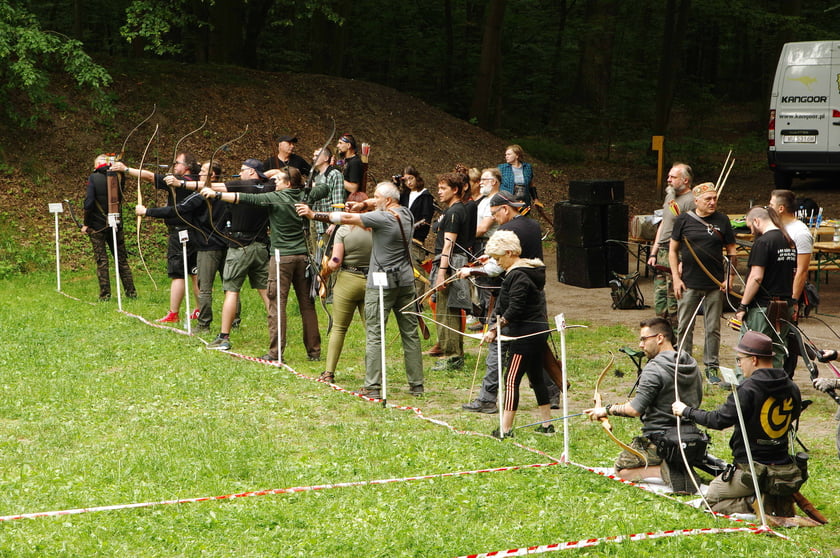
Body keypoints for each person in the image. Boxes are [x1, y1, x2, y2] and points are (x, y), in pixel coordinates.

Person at [296, 181, 424, 399]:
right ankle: (417, 385)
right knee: (410, 333)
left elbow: (345, 219)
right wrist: (364, 202)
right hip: (405, 280)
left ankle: (372, 385)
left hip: (382, 282)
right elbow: (378, 201)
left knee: (374, 333)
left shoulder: (381, 218)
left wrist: (312, 214)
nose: (374, 201)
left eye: (377, 197)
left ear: (388, 200)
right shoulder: (407, 214)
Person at [672, 331, 803, 515]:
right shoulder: (792, 386)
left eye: (740, 359)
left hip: (751, 471)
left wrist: (686, 411)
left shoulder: (748, 389)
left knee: (709, 502)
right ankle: (769, 497)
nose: (739, 364)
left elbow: (718, 420)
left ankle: (755, 502)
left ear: (754, 360)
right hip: (784, 470)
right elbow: (794, 415)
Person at [201, 166, 323, 362]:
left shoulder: (274, 198)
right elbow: (323, 188)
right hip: (303, 258)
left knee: (277, 305)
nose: (274, 183)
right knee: (307, 305)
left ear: (288, 183)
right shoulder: (305, 194)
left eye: (279, 180)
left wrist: (215, 195)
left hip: (282, 258)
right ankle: (314, 352)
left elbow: (245, 198)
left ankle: (275, 353)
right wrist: (307, 186)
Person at [460, 192, 561, 414]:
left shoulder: (508, 230)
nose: (494, 219)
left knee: (498, 344)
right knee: (536, 345)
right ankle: (553, 392)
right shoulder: (533, 225)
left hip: (513, 294)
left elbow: (497, 267)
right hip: (535, 295)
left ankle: (487, 398)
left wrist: (472, 271)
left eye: (495, 213)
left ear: (506, 209)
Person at [584, 317, 704, 492]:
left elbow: (634, 409)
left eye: (644, 339)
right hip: (690, 437)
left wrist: (606, 409)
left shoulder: (654, 369)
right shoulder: (690, 362)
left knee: (621, 469)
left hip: (660, 441)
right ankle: (677, 463)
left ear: (660, 338)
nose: (640, 345)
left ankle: (663, 470)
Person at [174, 158, 273, 350]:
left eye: (243, 170)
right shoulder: (268, 188)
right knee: (266, 292)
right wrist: (264, 176)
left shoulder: (241, 186)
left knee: (231, 291)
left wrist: (181, 183)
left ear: (252, 172)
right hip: (261, 248)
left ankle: (224, 337)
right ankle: (278, 332)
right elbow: (277, 176)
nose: (240, 172)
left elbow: (212, 185)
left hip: (240, 247)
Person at [111, 153, 199, 323]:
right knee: (195, 273)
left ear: (187, 166)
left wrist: (126, 169)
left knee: (178, 274)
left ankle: (174, 314)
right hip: (194, 233)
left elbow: (150, 176)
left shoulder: (178, 182)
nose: (174, 165)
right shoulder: (196, 183)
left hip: (180, 233)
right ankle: (199, 311)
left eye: (177, 163)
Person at [142, 160, 228, 333]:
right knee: (223, 284)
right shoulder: (223, 191)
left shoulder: (201, 193)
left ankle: (197, 320)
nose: (200, 173)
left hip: (204, 244)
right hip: (219, 242)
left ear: (212, 176)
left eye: (203, 171)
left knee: (198, 282)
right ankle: (230, 320)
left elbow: (179, 208)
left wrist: (147, 212)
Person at [481, 230, 550, 439]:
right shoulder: (528, 270)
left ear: (510, 253)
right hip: (537, 331)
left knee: (511, 380)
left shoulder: (518, 274)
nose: (497, 262)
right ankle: (547, 425)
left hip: (525, 334)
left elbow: (515, 308)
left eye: (498, 258)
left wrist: (494, 329)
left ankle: (505, 429)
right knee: (536, 377)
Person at [300, 191, 372, 384]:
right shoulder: (376, 228)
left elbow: (335, 261)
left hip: (348, 281)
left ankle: (329, 372)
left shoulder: (343, 230)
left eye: (350, 205)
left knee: (339, 328)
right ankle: (374, 376)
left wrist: (322, 273)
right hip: (371, 280)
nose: (347, 208)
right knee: (372, 331)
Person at [669, 182, 737, 384]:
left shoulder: (722, 220)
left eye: (715, 198)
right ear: (696, 201)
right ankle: (684, 364)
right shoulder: (683, 219)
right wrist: (675, 277)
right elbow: (672, 250)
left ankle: (711, 368)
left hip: (715, 284)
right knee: (684, 326)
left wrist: (730, 278)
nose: (712, 202)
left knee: (712, 327)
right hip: (688, 282)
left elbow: (732, 252)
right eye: (708, 199)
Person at [734, 206, 796, 369]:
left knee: (751, 351)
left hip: (763, 309)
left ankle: (747, 390)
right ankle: (774, 388)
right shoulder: (788, 240)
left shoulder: (763, 242)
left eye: (750, 227)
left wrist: (742, 306)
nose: (752, 231)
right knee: (777, 350)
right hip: (783, 307)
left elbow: (756, 277)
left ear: (756, 221)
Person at [429, 172, 473, 371]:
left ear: (455, 190)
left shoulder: (455, 212)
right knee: (444, 309)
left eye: (443, 188)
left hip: (451, 263)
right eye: (438, 188)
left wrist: (441, 272)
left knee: (448, 311)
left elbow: (449, 245)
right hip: (448, 262)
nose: (439, 192)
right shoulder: (452, 210)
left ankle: (453, 356)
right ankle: (449, 353)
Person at [768, 189, 814, 376]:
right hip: (774, 288)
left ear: (780, 208)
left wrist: (793, 301)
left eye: (770, 204)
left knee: (787, 334)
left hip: (789, 291)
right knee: (772, 335)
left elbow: (801, 270)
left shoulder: (800, 232)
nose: (768, 207)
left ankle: (786, 377)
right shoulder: (776, 227)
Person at [82, 154, 137, 301]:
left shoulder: (93, 178)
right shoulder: (119, 176)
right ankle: (131, 292)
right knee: (122, 260)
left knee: (102, 261)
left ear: (98, 164)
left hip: (97, 226)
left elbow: (89, 202)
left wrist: (86, 223)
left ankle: (105, 295)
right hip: (117, 224)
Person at [647, 163, 695, 329]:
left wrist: (684, 261)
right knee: (660, 301)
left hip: (678, 253)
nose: (668, 180)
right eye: (669, 176)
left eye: (673, 177)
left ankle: (675, 343)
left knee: (674, 300)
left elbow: (692, 234)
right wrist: (653, 252)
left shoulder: (691, 202)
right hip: (662, 253)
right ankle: (660, 336)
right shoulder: (670, 196)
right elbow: (663, 224)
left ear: (686, 180)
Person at [398, 165, 435, 297]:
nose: (409, 182)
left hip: (415, 238)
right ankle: (404, 297)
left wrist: (410, 228)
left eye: (411, 178)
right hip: (402, 236)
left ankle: (417, 299)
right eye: (406, 179)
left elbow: (426, 219)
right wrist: (395, 184)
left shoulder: (425, 196)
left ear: (417, 177)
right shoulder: (405, 195)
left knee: (416, 268)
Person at [309, 146, 347, 237]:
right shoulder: (315, 175)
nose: (314, 158)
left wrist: (334, 223)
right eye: (314, 156)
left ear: (326, 158)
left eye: (317, 155)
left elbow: (338, 201)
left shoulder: (334, 174)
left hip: (328, 224)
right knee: (316, 251)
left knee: (328, 250)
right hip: (315, 223)